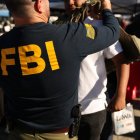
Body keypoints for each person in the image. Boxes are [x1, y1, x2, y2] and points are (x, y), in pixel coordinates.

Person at [0, 0, 120, 140]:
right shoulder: (69, 34)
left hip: (17, 133)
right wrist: (106, 8)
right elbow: (113, 30)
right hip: (59, 135)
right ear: (39, 4)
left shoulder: (2, 44)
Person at [59, 0, 130, 140]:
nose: (70, 2)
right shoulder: (57, 27)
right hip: (61, 111)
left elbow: (121, 61)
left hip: (92, 109)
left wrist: (120, 95)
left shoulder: (99, 27)